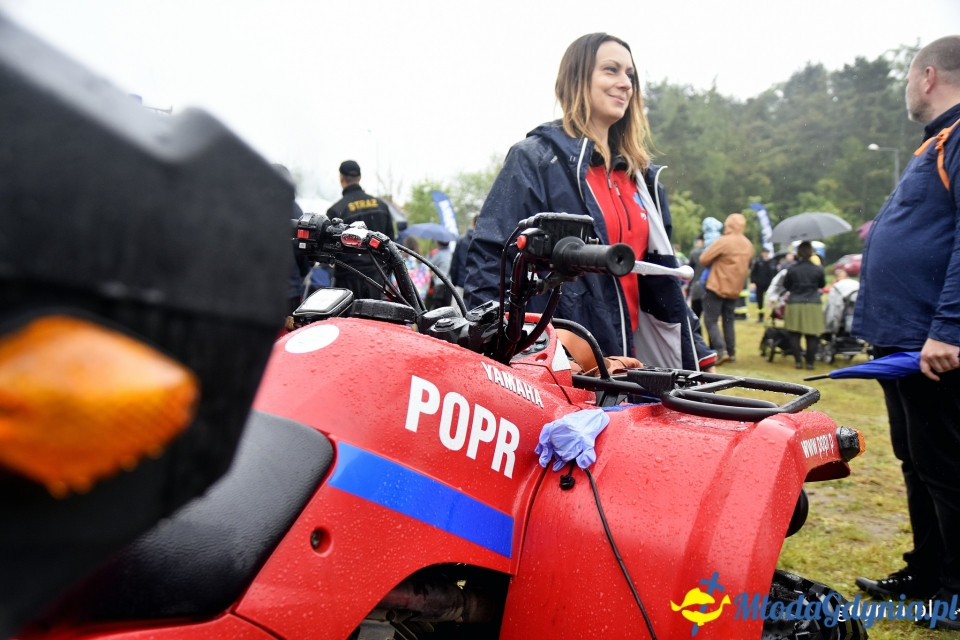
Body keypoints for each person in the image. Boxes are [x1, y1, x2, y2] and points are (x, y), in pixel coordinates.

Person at [463, 32, 715, 371]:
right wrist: (512, 353)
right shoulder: (535, 159)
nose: (625, 83)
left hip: (635, 364)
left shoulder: (643, 178)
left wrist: (696, 348)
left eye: (630, 75)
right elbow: (492, 262)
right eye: (611, 70)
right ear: (576, 78)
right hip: (565, 364)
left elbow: (662, 276)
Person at [851, 36, 960, 630]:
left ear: (926, 76)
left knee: (947, 464)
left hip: (934, 342)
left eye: (907, 82)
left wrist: (949, 327)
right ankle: (926, 572)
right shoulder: (936, 142)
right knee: (917, 461)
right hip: (904, 339)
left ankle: (955, 589)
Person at [326, 160, 396, 299]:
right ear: (360, 177)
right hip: (377, 279)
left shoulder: (337, 210)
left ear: (341, 177)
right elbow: (390, 242)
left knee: (351, 320)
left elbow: (329, 250)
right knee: (376, 319)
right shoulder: (381, 206)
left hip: (348, 280)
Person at [698, 213, 754, 365]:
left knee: (710, 320)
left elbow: (703, 259)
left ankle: (720, 350)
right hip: (734, 289)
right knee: (729, 321)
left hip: (716, 286)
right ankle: (732, 352)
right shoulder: (748, 244)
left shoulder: (724, 241)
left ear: (729, 225)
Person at [782, 241, 825, 370]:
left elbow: (787, 285)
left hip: (795, 302)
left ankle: (798, 362)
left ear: (798, 253)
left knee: (794, 334)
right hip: (812, 303)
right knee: (812, 335)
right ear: (811, 252)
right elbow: (821, 285)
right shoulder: (818, 268)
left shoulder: (792, 268)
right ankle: (810, 363)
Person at [750, 248, 778, 323]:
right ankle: (760, 317)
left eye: (767, 252)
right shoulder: (758, 262)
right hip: (760, 284)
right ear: (762, 253)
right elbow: (753, 273)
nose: (765, 254)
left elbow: (776, 274)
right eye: (764, 252)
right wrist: (753, 282)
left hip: (770, 285)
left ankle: (772, 317)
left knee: (771, 301)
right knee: (760, 302)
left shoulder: (773, 262)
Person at [427, 240, 453, 309]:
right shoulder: (450, 253)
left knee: (437, 309)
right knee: (447, 309)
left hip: (439, 284)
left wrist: (428, 255)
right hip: (449, 285)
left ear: (438, 242)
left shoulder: (439, 253)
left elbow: (428, 264)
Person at [686, 235, 706, 318]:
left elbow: (689, 270)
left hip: (697, 286)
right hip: (710, 288)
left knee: (695, 315)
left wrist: (688, 287)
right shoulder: (713, 252)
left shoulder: (694, 253)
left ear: (701, 241)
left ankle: (697, 331)